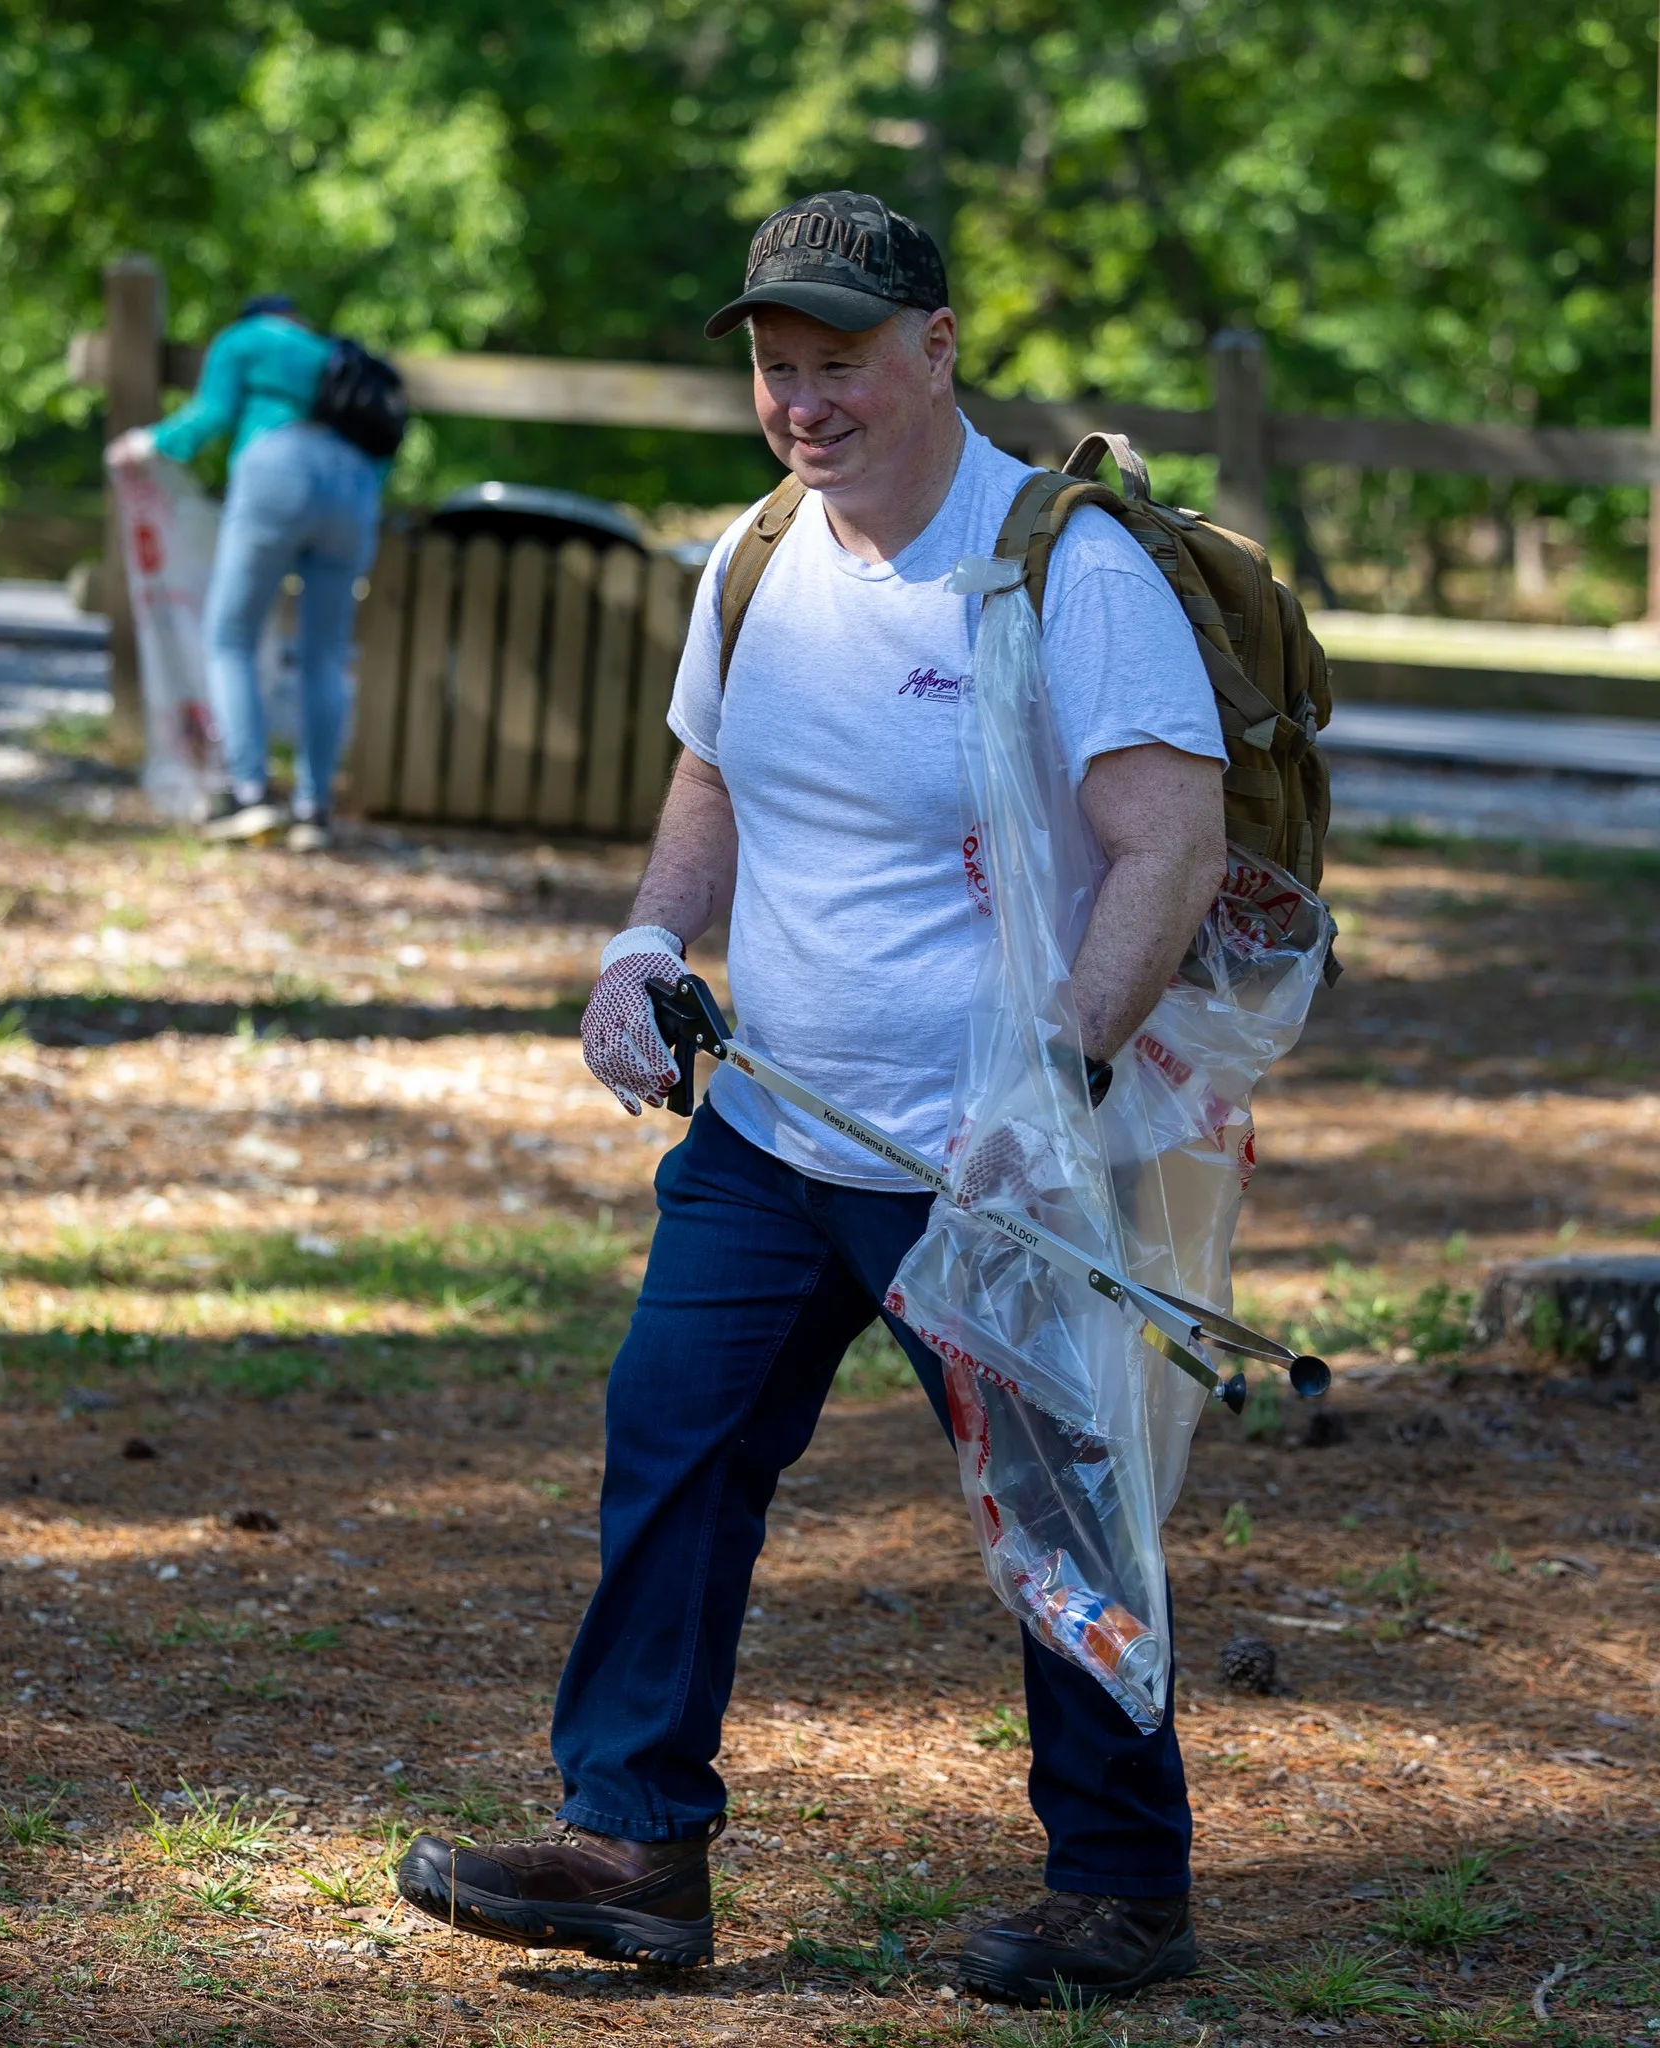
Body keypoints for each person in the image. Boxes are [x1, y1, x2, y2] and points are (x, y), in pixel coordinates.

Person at [395, 191, 1229, 2006]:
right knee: (671, 1444)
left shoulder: (1065, 567)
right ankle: (632, 1843)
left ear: (936, 347)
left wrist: (1053, 1077)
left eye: (837, 360)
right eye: (775, 364)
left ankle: (1121, 1886)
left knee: (1054, 1513)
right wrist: (641, 945)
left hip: (991, 1151)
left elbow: (1168, 844)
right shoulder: (758, 551)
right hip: (771, 1137)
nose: (801, 399)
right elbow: (712, 779)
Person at [107, 294, 383, 848]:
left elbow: (211, 415)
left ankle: (248, 793)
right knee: (325, 655)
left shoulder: (245, 340)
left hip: (276, 476)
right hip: (354, 490)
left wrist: (148, 443)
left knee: (229, 638)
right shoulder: (333, 356)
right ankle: (315, 810)